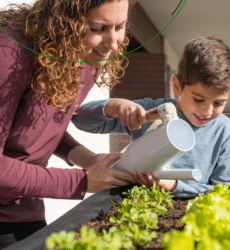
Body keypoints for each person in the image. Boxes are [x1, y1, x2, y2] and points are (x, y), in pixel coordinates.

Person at [0, 0, 138, 245]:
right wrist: (80, 181)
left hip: (25, 209)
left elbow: (38, 126)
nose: (114, 43)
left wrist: (89, 159)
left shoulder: (86, 56)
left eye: (120, 26)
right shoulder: (10, 52)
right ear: (63, 20)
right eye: (98, 29)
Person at [72, 36, 230, 198]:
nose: (207, 111)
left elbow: (227, 192)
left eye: (219, 103)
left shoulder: (225, 131)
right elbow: (79, 119)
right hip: (139, 211)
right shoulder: (151, 111)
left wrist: (174, 186)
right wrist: (115, 107)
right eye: (198, 100)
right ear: (176, 85)